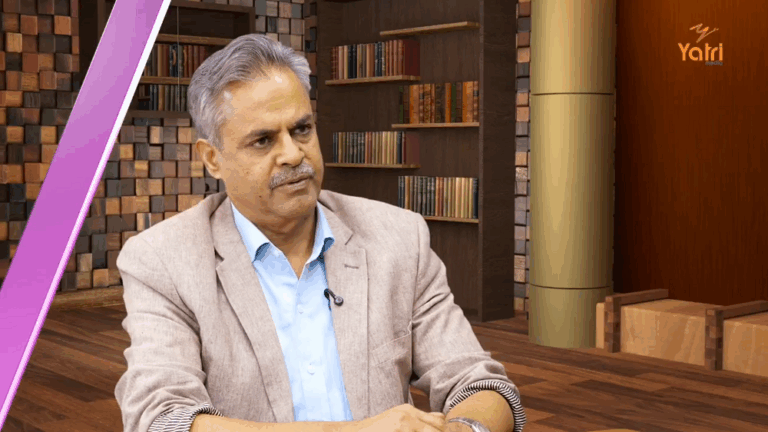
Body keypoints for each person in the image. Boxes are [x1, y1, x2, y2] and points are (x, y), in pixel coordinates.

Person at [114, 34, 526, 432]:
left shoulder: (399, 237)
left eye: (301, 129)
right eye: (263, 140)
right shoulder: (163, 260)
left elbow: (480, 382)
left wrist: (466, 428)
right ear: (212, 159)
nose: (293, 154)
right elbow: (163, 419)